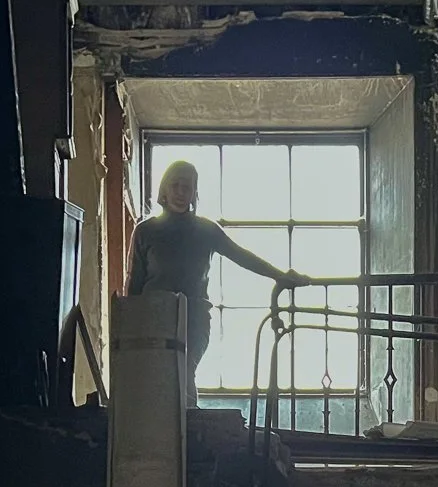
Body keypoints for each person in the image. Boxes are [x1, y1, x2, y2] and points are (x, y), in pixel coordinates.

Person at [128, 159, 305, 403]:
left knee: (183, 371)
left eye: (187, 187)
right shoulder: (146, 231)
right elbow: (134, 284)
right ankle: (174, 423)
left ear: (194, 193)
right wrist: (129, 330)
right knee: (159, 379)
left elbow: (241, 256)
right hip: (154, 317)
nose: (180, 192)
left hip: (194, 317)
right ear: (164, 190)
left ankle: (188, 421)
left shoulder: (206, 230)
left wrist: (280, 275)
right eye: (175, 185)